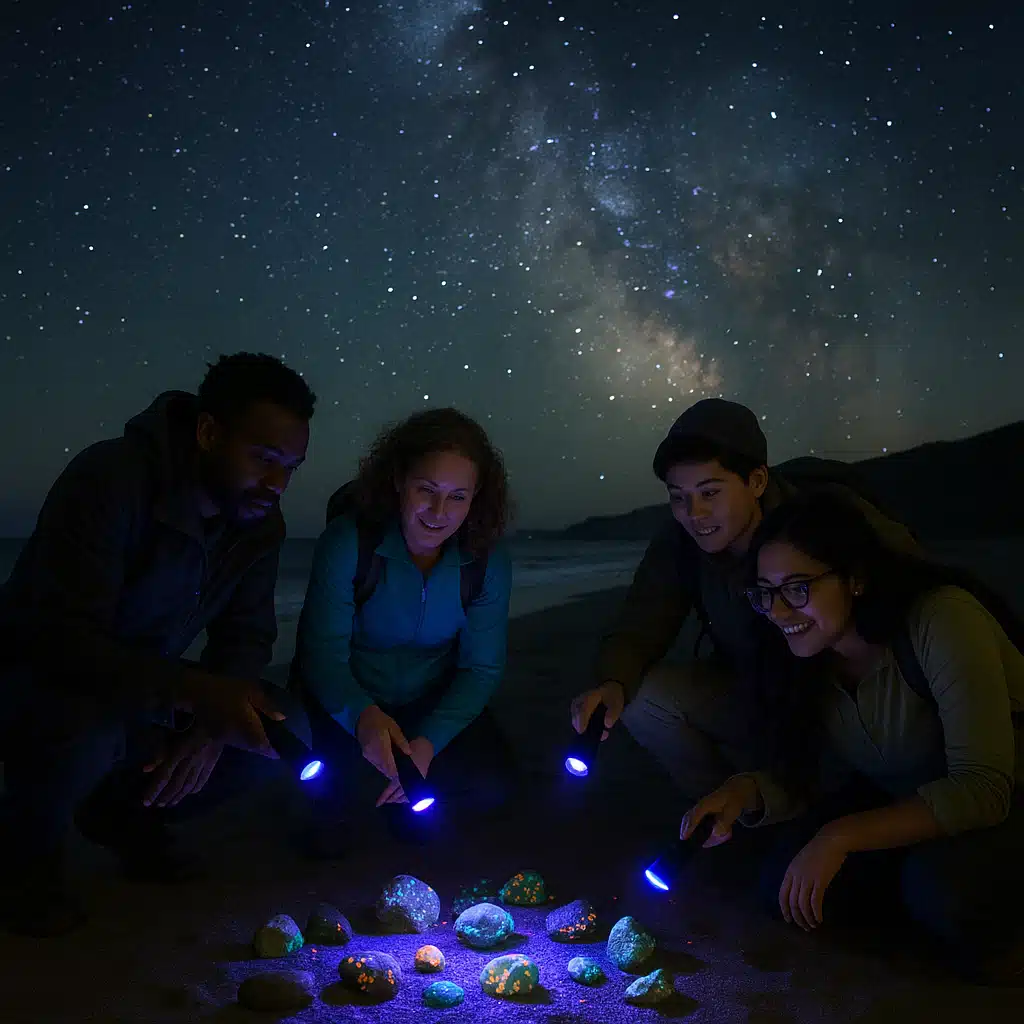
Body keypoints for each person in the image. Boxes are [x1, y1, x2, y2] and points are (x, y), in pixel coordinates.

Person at [0, 353, 317, 937]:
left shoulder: (258, 524)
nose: (276, 484)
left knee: (281, 725)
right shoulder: (111, 479)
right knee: (82, 730)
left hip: (145, 687)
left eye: (291, 467)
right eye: (263, 459)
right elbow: (59, 639)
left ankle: (124, 816)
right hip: (38, 679)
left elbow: (246, 636)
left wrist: (209, 726)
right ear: (208, 432)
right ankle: (26, 858)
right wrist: (197, 694)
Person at [681, 490, 1024, 985]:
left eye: (797, 587)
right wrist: (746, 793)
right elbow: (814, 774)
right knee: (782, 884)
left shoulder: (941, 619)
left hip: (1007, 799)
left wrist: (840, 836)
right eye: (764, 592)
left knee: (944, 894)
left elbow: (985, 789)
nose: (777, 611)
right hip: (908, 800)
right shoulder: (805, 653)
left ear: (856, 578)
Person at [570, 398, 918, 803]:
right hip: (756, 687)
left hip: (840, 693)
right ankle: (721, 815)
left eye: (710, 492)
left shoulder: (822, 519)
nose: (694, 513)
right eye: (677, 496)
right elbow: (641, 622)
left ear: (756, 482)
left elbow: (916, 585)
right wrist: (614, 682)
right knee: (644, 700)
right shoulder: (681, 543)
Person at [292, 407, 515, 856]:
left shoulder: (486, 562)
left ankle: (402, 793)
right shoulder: (348, 544)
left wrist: (428, 742)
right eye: (426, 490)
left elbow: (481, 669)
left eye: (458, 496)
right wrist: (362, 718)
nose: (438, 512)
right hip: (347, 697)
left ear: (477, 498)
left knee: (494, 786)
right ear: (398, 480)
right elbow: (322, 656)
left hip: (426, 701)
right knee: (330, 822)